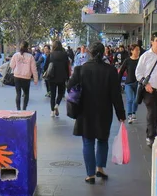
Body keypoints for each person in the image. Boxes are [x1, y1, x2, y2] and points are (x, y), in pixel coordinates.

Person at [68, 42, 126, 184]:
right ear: (104, 53)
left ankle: (90, 174)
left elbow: (70, 87)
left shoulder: (80, 70)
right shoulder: (110, 71)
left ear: (90, 53)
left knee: (88, 141)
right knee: (102, 139)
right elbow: (116, 95)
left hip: (85, 111)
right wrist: (121, 115)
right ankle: (100, 168)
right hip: (104, 111)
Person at [9, 41, 38, 110]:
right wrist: (35, 79)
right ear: (27, 47)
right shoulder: (30, 56)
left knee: (18, 94)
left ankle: (18, 109)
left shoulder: (16, 55)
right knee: (26, 94)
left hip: (17, 76)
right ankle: (24, 109)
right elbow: (34, 69)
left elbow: (11, 65)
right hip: (26, 77)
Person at [119, 44, 141, 124]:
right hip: (129, 83)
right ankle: (129, 115)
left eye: (138, 50)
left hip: (138, 83)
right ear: (131, 51)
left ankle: (134, 112)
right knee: (130, 99)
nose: (138, 51)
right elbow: (121, 72)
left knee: (136, 100)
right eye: (136, 50)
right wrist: (118, 82)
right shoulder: (127, 61)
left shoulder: (141, 60)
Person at [47, 40, 70, 117]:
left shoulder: (51, 55)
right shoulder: (65, 55)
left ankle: (52, 111)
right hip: (62, 77)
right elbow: (67, 66)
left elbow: (46, 66)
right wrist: (67, 77)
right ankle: (57, 104)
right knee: (61, 93)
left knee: (53, 94)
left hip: (52, 77)